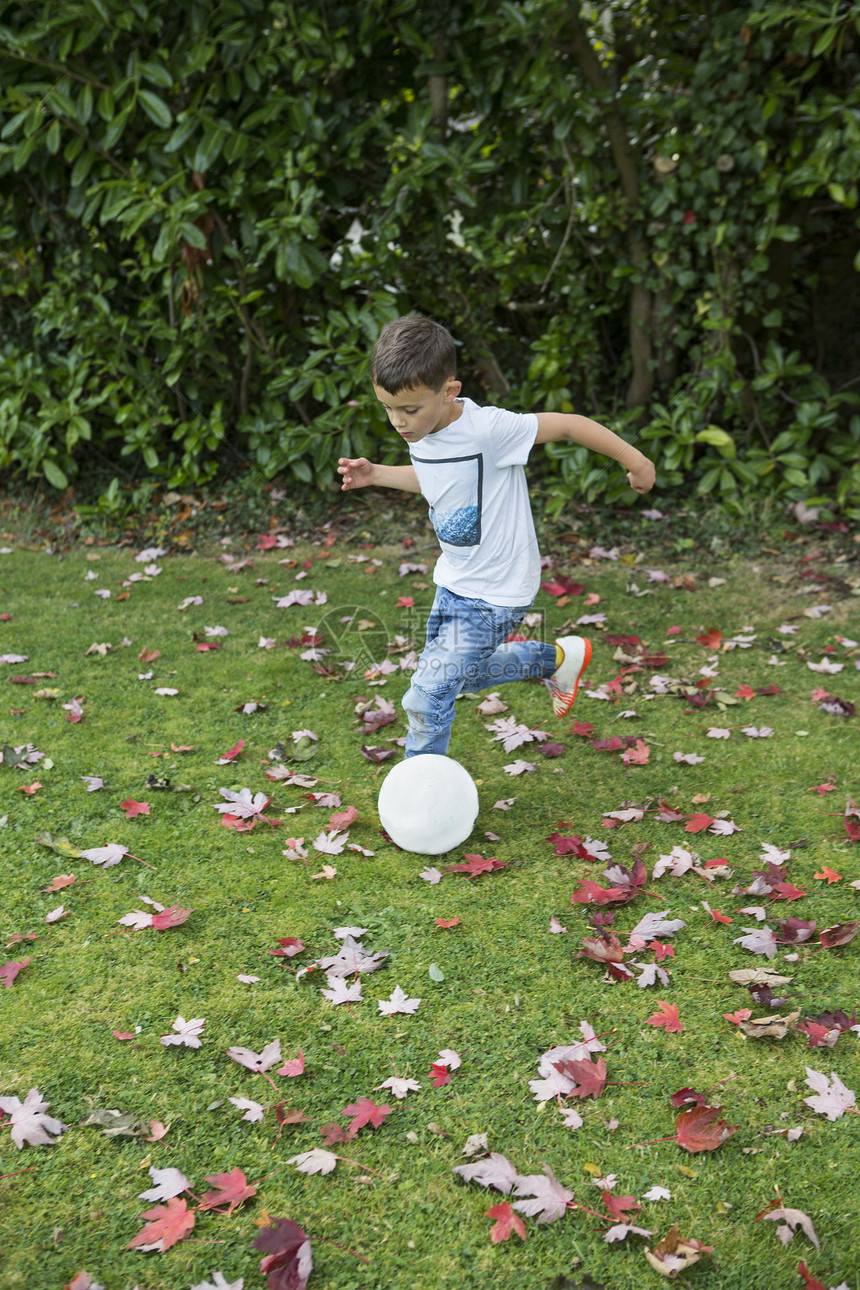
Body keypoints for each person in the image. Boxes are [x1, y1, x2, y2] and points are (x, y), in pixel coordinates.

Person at [337, 315, 656, 759]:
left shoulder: (489, 430)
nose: (397, 422)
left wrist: (635, 460)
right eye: (387, 408)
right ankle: (557, 661)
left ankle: (422, 795)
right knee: (458, 677)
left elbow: (569, 424)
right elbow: (438, 480)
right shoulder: (423, 429)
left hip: (496, 592)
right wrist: (378, 475)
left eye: (408, 410)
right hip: (453, 583)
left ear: (449, 391)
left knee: (425, 695)